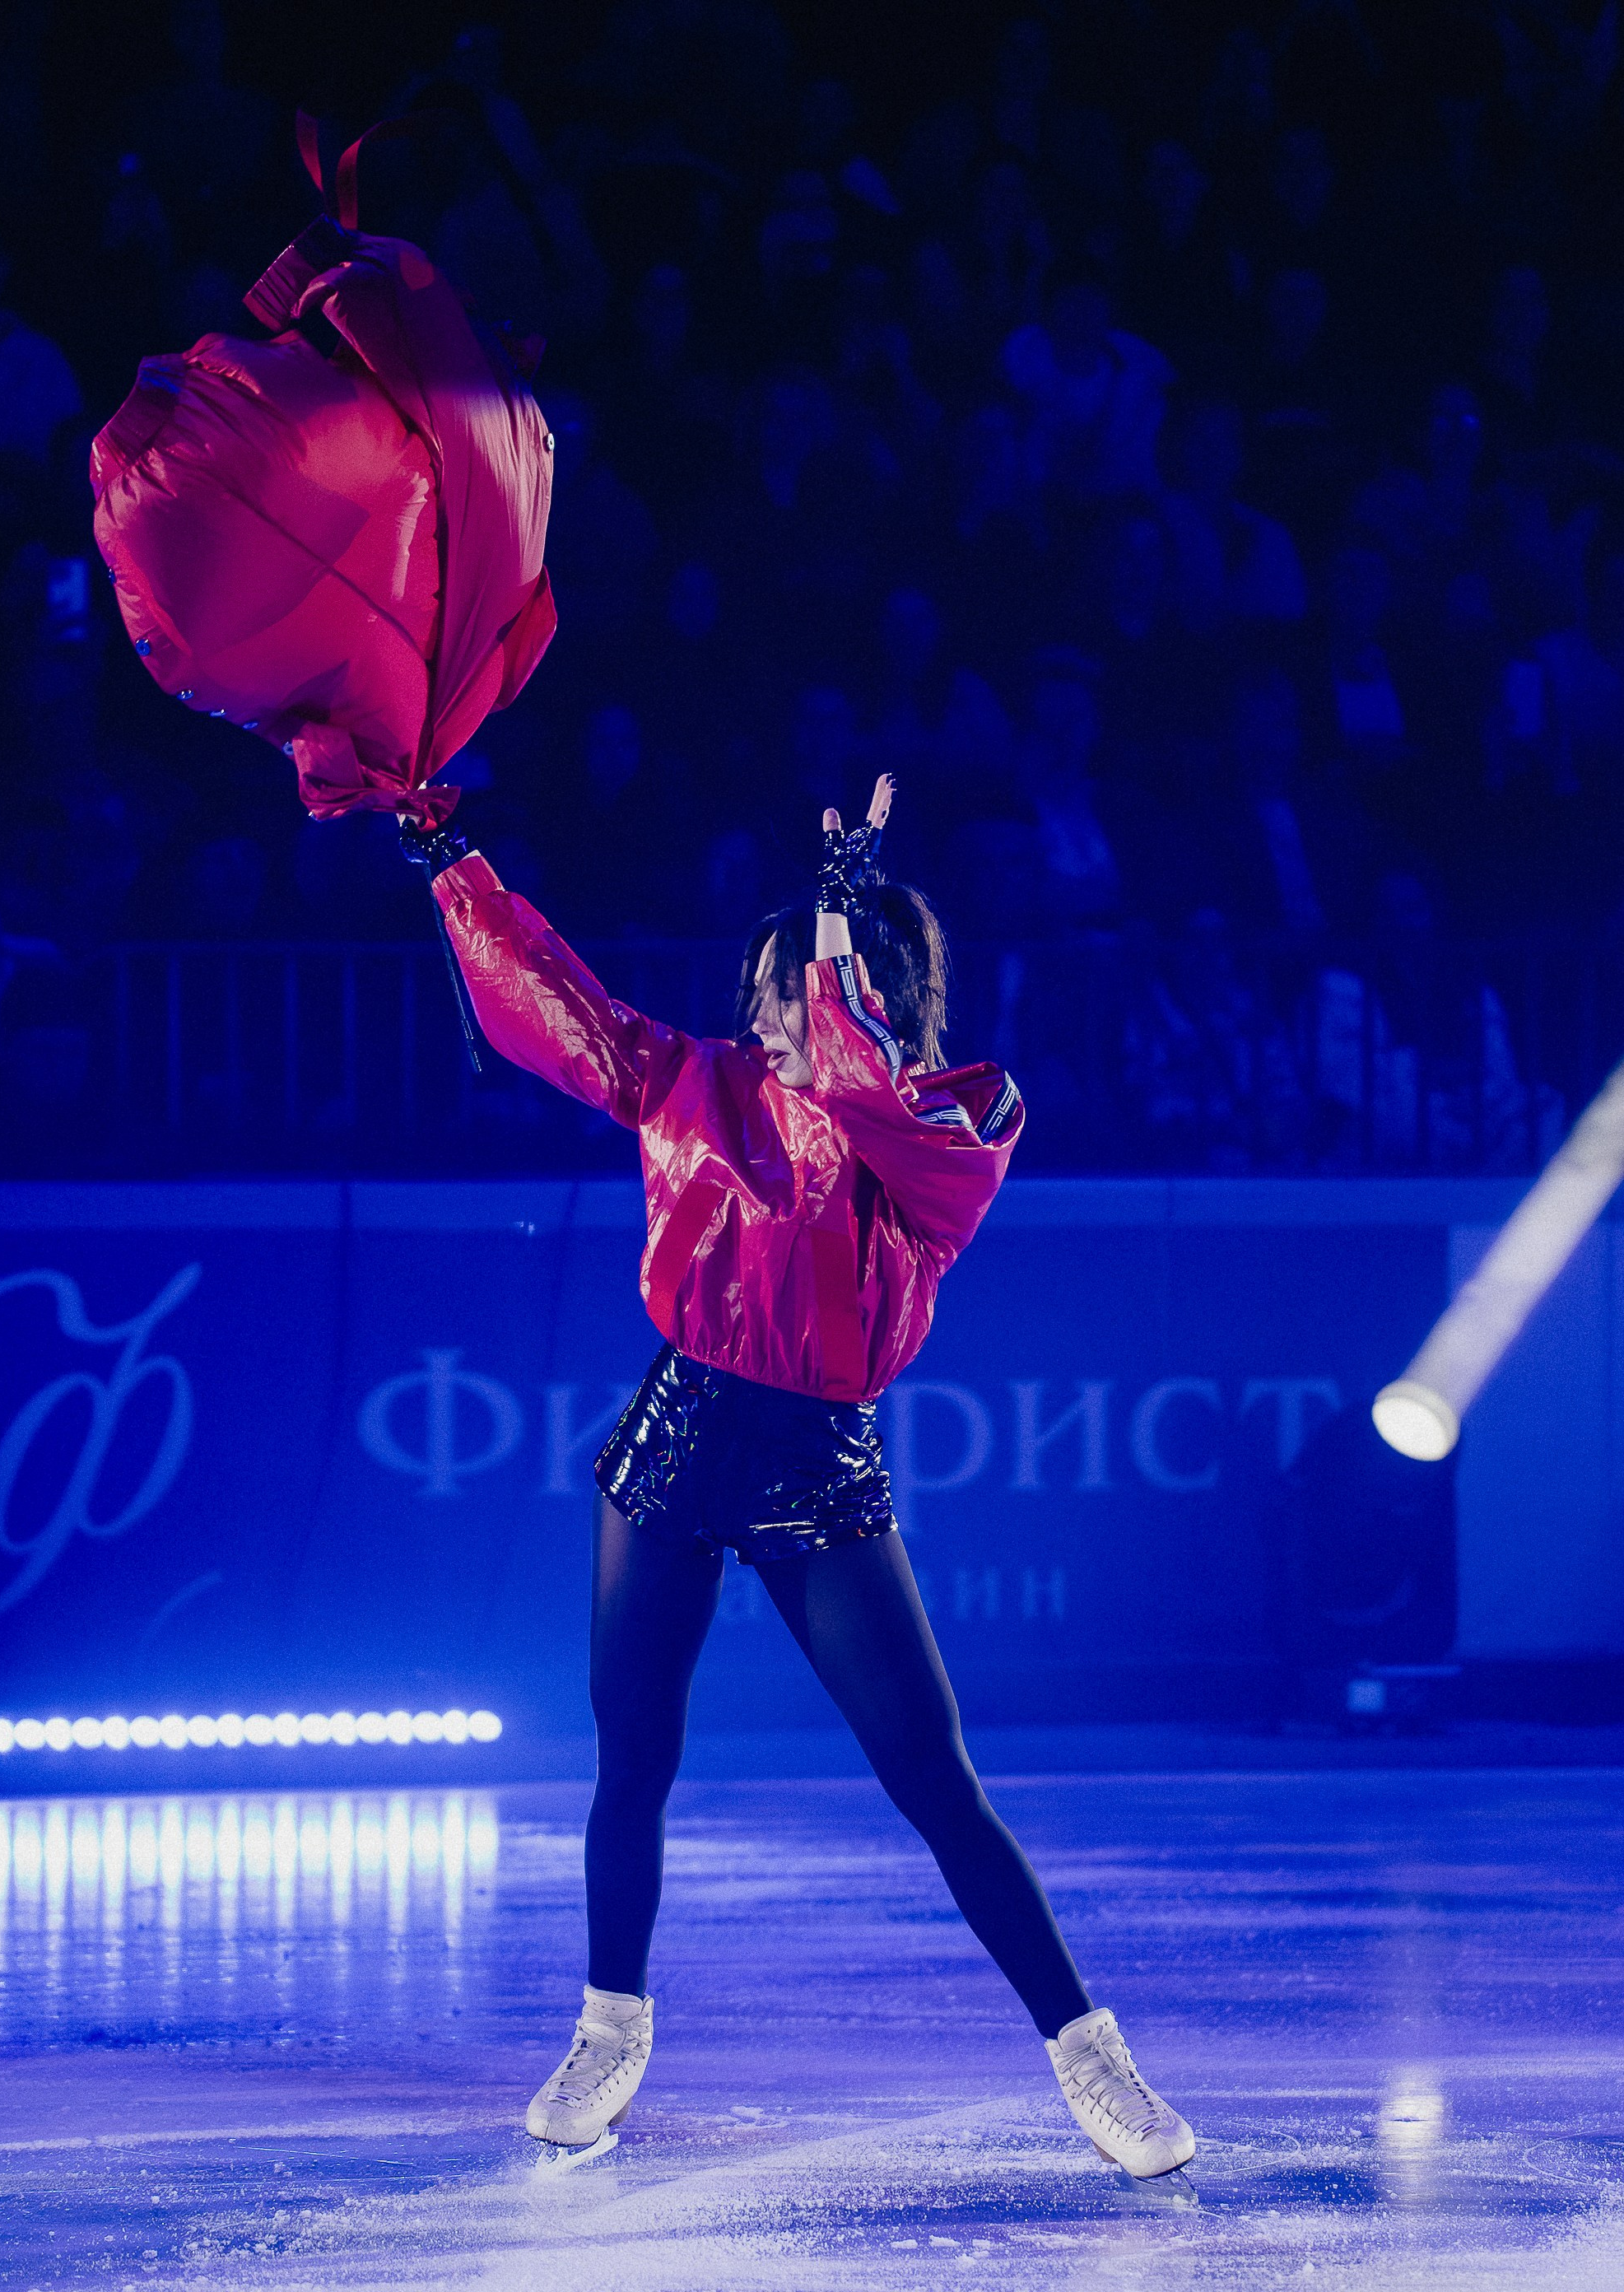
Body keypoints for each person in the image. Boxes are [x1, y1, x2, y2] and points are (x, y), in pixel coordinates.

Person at [407, 775, 1197, 2180]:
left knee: (934, 1779)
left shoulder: (953, 1128)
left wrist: (838, 926)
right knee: (632, 1756)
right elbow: (560, 1007)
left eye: (795, 991)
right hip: (676, 1437)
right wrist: (458, 864)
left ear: (869, 990)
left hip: (820, 1462)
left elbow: (853, 1080)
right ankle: (608, 2027)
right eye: (765, 990)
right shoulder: (691, 1082)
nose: (767, 1017)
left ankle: (1092, 2056)